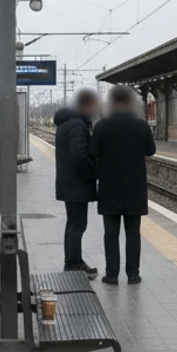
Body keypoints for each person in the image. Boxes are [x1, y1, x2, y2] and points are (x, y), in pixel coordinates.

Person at [89, 85, 156, 285]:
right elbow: (150, 151)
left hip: (110, 187)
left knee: (111, 233)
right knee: (133, 233)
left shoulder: (102, 126)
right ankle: (133, 274)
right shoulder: (141, 125)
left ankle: (112, 274)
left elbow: (92, 153)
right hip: (135, 187)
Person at [54, 89, 100, 278]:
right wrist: (94, 173)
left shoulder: (66, 123)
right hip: (76, 184)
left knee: (73, 223)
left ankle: (73, 260)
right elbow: (79, 154)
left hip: (69, 182)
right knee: (77, 225)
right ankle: (73, 263)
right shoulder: (77, 126)